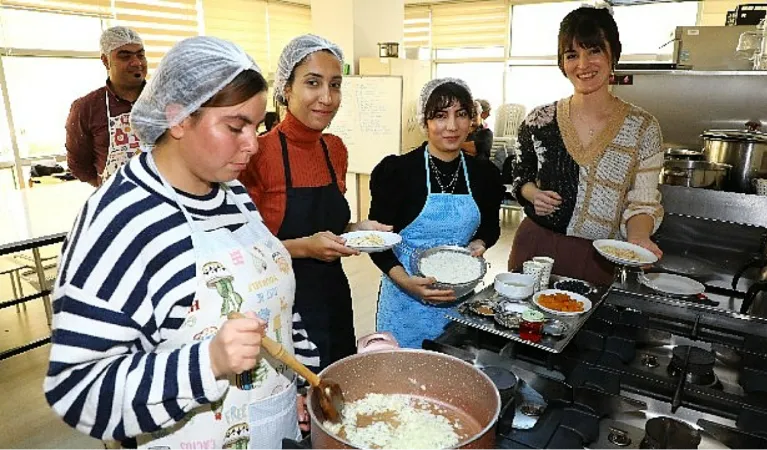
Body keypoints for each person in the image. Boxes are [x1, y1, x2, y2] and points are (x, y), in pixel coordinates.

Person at [44, 36, 320, 450]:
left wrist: (303, 384)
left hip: (275, 426)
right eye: (235, 126)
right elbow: (79, 389)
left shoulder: (234, 195)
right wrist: (207, 363)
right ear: (177, 118)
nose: (253, 143)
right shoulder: (123, 221)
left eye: (257, 125)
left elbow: (279, 305)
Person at [240, 34, 390, 369]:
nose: (326, 97)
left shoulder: (334, 148)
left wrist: (356, 229)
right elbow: (243, 249)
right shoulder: (258, 153)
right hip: (280, 299)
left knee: (336, 383)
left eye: (335, 85)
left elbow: (330, 226)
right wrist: (305, 248)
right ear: (286, 88)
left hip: (334, 292)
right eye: (312, 83)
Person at [508, 6, 664, 286]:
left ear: (612, 53)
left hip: (601, 256)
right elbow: (520, 175)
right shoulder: (539, 120)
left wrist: (639, 237)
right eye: (571, 55)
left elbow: (643, 201)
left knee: (589, 327)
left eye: (593, 50)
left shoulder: (643, 127)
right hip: (536, 247)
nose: (583, 64)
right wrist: (532, 194)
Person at [370, 78, 504, 348]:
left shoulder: (484, 175)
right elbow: (377, 241)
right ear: (425, 122)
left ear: (472, 120)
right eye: (440, 116)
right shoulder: (398, 173)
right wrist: (406, 282)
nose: (452, 126)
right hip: (403, 302)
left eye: (461, 114)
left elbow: (490, 227)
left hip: (460, 300)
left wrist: (479, 243)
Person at [65, 26, 147, 187]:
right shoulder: (86, 108)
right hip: (118, 203)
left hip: (168, 199)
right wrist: (109, 189)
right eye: (125, 56)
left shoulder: (164, 98)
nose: (136, 62)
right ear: (105, 61)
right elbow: (78, 164)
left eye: (141, 55)